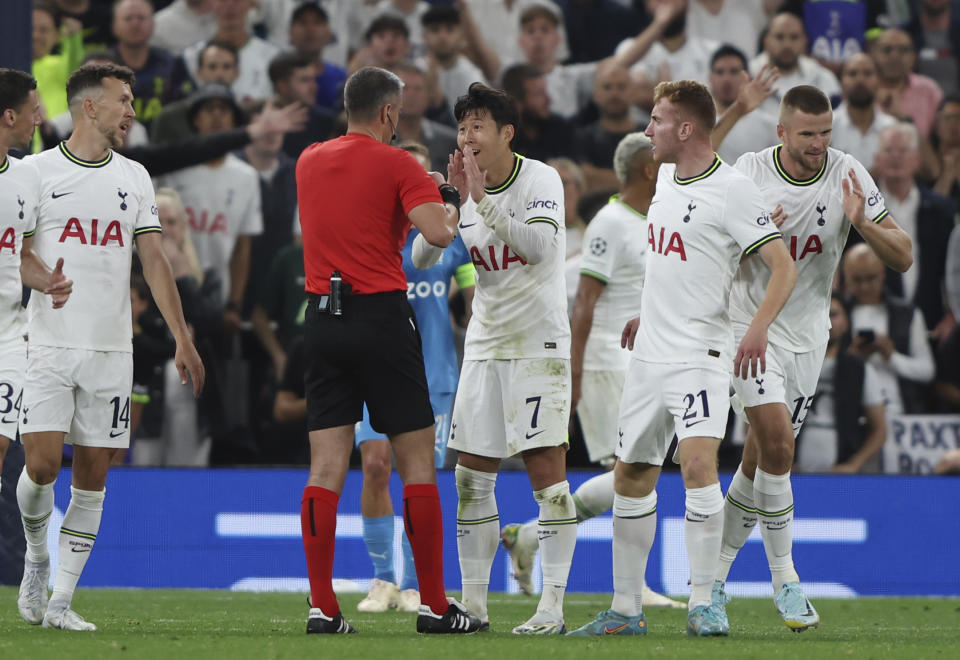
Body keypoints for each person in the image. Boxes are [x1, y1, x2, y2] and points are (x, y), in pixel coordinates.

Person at [570, 79, 797, 638]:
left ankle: (704, 603)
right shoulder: (668, 177)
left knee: (697, 465)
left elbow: (783, 266)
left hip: (702, 351)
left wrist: (759, 329)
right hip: (648, 353)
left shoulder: (734, 191)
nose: (648, 130)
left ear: (685, 128)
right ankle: (626, 610)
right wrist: (649, 311)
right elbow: (676, 258)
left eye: (657, 119)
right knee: (631, 476)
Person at [716, 86, 912, 631]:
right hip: (749, 329)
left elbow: (904, 256)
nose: (819, 144)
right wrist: (753, 237)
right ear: (781, 132)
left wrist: (864, 223)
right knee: (779, 444)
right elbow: (711, 252)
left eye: (826, 132)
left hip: (808, 336)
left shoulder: (846, 172)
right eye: (807, 134)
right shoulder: (749, 174)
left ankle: (711, 580)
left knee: (758, 460)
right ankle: (787, 581)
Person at [16, 62, 204, 631]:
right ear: (88, 107)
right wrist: (44, 278)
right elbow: (16, 253)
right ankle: (36, 555)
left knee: (95, 473)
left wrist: (182, 336)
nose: (132, 111)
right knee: (44, 466)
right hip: (46, 342)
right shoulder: (35, 173)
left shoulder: (137, 178)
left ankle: (61, 602)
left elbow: (153, 261)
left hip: (111, 350)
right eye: (123, 100)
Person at [295, 65, 479, 635]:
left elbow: (355, 212)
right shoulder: (400, 163)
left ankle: (323, 609)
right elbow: (440, 233)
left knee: (326, 467)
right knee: (417, 464)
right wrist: (451, 198)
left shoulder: (308, 159)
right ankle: (433, 605)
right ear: (389, 114)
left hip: (323, 316)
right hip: (380, 317)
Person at [414, 82, 573, 634]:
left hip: (538, 344)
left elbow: (542, 249)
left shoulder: (540, 179)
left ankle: (550, 606)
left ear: (507, 133)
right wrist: (450, 204)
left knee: (547, 479)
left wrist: (482, 202)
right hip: (484, 344)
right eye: (462, 127)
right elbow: (421, 254)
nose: (466, 136)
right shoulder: (465, 190)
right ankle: (475, 607)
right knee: (469, 479)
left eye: (477, 125)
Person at [500, 133, 683, 610]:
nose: (669, 165)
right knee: (633, 475)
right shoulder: (610, 223)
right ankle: (632, 588)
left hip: (638, 361)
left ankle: (531, 538)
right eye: (661, 160)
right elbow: (584, 302)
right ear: (648, 169)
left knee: (635, 473)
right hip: (606, 361)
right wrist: (576, 371)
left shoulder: (652, 219)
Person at [354, 141, 475, 615]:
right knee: (375, 466)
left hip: (434, 369)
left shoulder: (448, 234)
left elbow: (471, 298)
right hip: (377, 364)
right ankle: (383, 580)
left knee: (420, 474)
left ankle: (413, 586)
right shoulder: (375, 229)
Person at [0, 68, 73, 569]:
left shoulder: (27, 175)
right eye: (33, 110)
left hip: (10, 336)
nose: (40, 119)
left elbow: (21, 255)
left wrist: (48, 280)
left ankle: (35, 562)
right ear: (9, 116)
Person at [794, 294, 887, 474]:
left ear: (846, 322)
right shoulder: (791, 364)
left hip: (842, 475)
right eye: (820, 314)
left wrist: (854, 465)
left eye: (833, 314)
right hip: (792, 472)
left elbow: (880, 430)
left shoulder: (861, 370)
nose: (826, 321)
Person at [843, 243, 933, 416]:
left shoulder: (908, 314)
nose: (865, 286)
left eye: (870, 278)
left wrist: (892, 356)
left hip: (899, 411)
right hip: (850, 413)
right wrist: (852, 359)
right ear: (845, 277)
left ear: (883, 274)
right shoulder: (835, 314)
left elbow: (927, 371)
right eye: (857, 279)